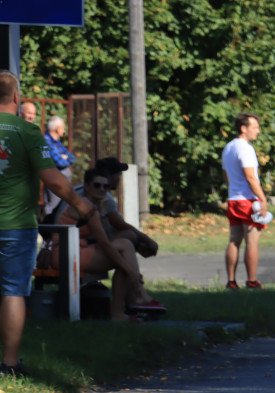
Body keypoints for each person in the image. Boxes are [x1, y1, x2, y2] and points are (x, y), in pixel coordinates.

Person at [0, 70, 104, 375]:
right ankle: (8, 364)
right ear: (17, 98)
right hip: (16, 226)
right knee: (12, 291)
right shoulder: (27, 133)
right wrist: (80, 202)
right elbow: (53, 179)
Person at [50, 168, 164, 319]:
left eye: (106, 186)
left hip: (76, 250)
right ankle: (130, 302)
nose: (102, 189)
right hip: (66, 255)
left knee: (125, 245)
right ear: (86, 186)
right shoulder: (85, 207)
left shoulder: (93, 205)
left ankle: (132, 302)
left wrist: (103, 212)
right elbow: (105, 243)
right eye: (97, 185)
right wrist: (131, 271)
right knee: (124, 256)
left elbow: (105, 237)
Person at [222, 112, 269, 290]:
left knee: (234, 240)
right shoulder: (246, 149)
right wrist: (263, 199)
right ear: (244, 128)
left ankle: (231, 281)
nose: (258, 131)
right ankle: (252, 281)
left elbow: (226, 176)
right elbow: (251, 177)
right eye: (255, 127)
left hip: (233, 199)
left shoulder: (228, 148)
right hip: (248, 201)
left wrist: (233, 191)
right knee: (252, 241)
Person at [42, 115, 76, 221]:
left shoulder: (56, 142)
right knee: (52, 207)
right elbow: (60, 162)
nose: (65, 131)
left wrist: (65, 157)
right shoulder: (46, 141)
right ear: (57, 129)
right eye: (63, 128)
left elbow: (72, 157)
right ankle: (49, 234)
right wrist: (64, 157)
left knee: (61, 207)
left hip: (62, 181)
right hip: (54, 181)